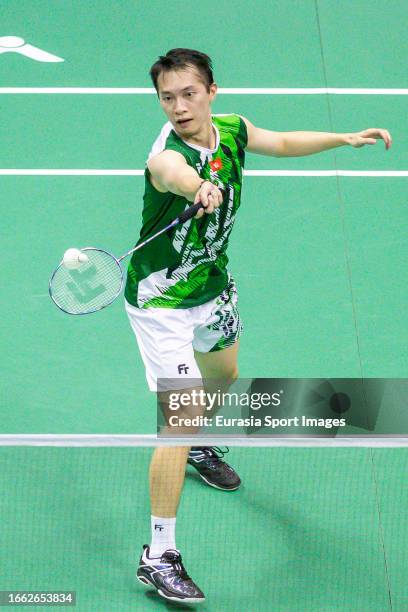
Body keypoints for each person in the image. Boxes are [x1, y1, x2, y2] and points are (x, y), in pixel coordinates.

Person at [124, 48, 392, 604]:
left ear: (212, 91)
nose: (178, 107)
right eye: (167, 97)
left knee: (224, 375)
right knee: (180, 416)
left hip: (212, 285)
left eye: (188, 93)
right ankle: (158, 555)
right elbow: (172, 174)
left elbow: (282, 142)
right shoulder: (165, 158)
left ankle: (199, 449)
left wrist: (341, 139)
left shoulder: (232, 129)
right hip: (161, 302)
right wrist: (195, 187)